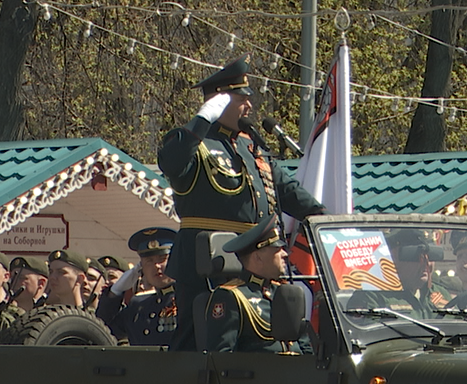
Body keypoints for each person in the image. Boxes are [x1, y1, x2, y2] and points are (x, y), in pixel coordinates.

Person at [157, 55, 324, 351]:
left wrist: (325, 217)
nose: (249, 106)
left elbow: (286, 189)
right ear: (219, 101)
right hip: (206, 262)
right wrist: (201, 120)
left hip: (255, 259)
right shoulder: (195, 143)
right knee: (194, 342)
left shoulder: (249, 146)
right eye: (240, 98)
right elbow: (171, 162)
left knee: (259, 339)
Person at [202, 217, 305, 354]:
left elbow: (305, 345)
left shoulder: (283, 292)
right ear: (258, 258)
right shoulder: (231, 296)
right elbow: (222, 358)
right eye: (277, 249)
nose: (285, 254)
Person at [97, 228, 178, 346]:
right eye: (149, 261)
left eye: (162, 259)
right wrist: (115, 291)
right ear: (141, 268)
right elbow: (102, 330)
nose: (156, 266)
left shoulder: (188, 300)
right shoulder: (139, 306)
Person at [347, 229, 450, 317]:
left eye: (430, 256)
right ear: (393, 259)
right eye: (415, 257)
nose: (426, 264)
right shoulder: (371, 297)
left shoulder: (440, 293)